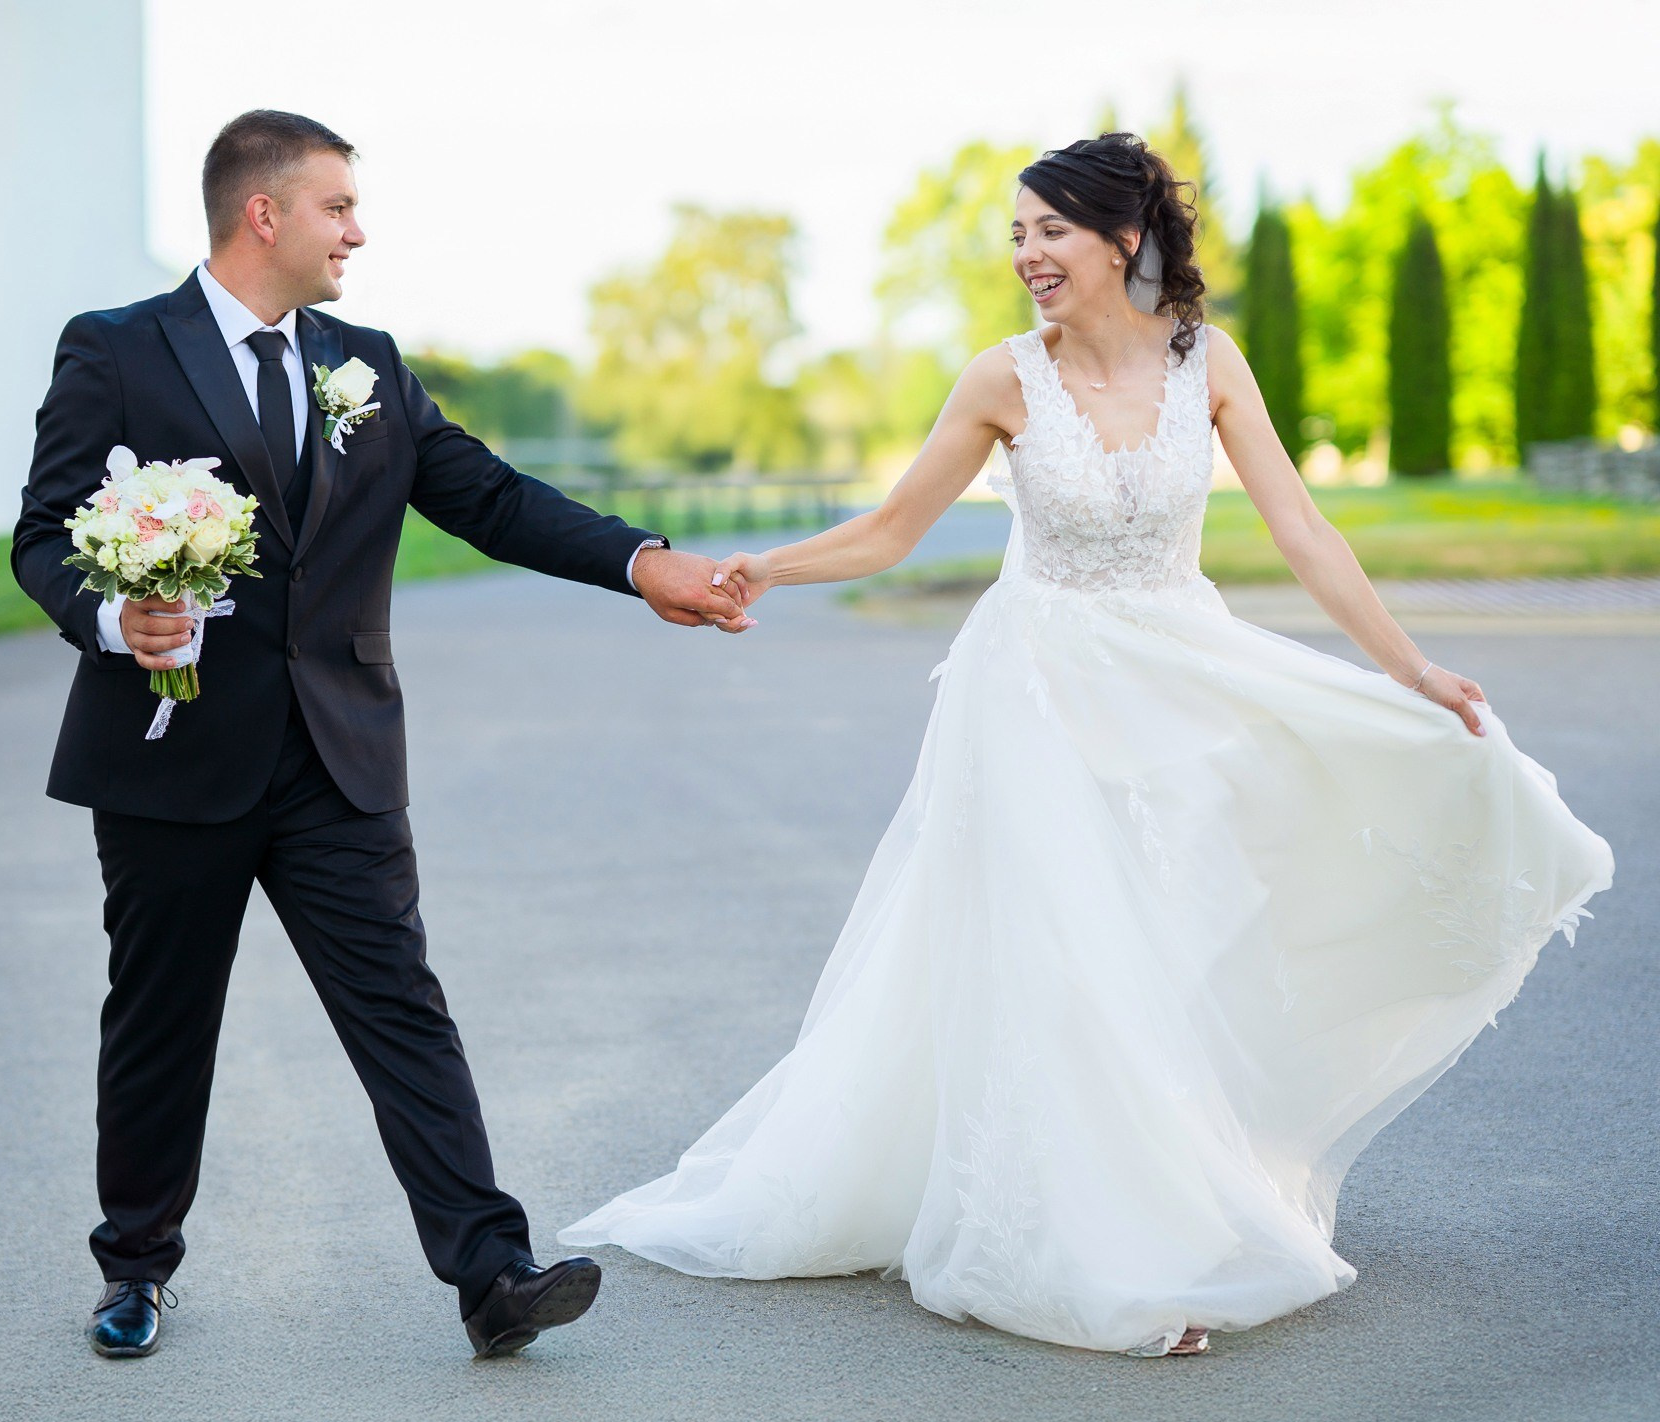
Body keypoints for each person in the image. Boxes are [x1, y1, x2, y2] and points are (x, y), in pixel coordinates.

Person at [560, 133, 1613, 1357]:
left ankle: (1166, 1197)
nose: (1025, 256)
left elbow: (1304, 533)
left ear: (1123, 239)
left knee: (1164, 952)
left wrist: (1411, 668)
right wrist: (761, 568)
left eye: (1047, 231)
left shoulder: (1206, 362)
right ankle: (1093, 1261)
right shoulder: (1002, 379)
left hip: (1179, 685)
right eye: (1014, 235)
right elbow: (896, 527)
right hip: (1035, 696)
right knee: (1070, 956)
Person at [13, 109, 749, 1360]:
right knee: (159, 1019)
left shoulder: (364, 363)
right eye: (337, 207)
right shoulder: (116, 350)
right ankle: (132, 1267)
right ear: (265, 214)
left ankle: (491, 1270)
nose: (359, 229)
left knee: (400, 1006)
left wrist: (642, 562)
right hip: (167, 754)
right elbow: (42, 533)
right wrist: (108, 614)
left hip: (336, 755)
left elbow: (490, 498)